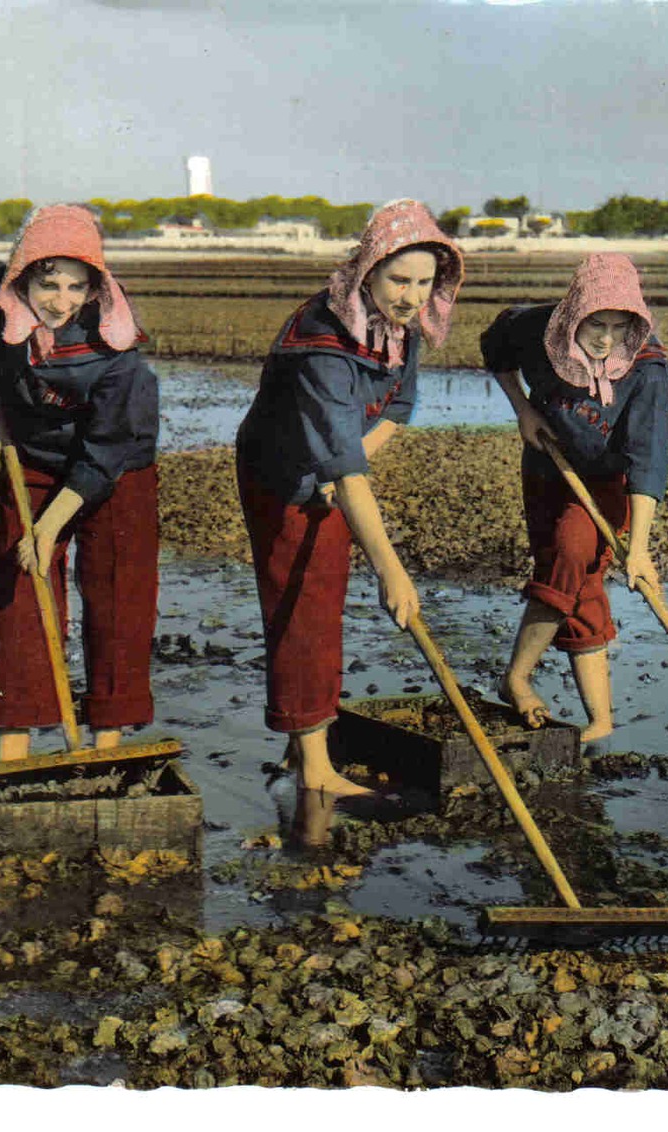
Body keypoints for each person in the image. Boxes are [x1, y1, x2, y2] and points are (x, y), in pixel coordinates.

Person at [236, 199, 463, 797]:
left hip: (334, 471)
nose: (412, 296)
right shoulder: (322, 339)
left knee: (324, 599)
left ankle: (302, 744)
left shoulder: (399, 330)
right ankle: (315, 769)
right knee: (301, 607)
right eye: (398, 280)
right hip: (280, 476)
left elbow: (399, 409)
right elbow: (343, 460)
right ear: (368, 271)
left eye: (423, 283)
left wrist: (347, 460)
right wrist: (392, 570)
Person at [0, 204, 160, 762]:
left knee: (116, 594)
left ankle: (107, 740)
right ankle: (17, 740)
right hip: (31, 460)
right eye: (47, 282)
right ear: (22, 276)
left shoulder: (118, 356)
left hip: (116, 469)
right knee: (20, 593)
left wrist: (51, 526)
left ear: (95, 287)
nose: (61, 300)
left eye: (76, 287)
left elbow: (103, 453)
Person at [480, 253, 668, 743]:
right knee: (578, 582)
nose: (606, 338)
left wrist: (641, 549)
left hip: (606, 484)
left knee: (569, 553)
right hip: (546, 469)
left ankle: (516, 677)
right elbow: (494, 346)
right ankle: (601, 720)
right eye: (595, 323)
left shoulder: (647, 370)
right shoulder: (537, 328)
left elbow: (648, 462)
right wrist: (524, 410)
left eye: (618, 325)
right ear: (573, 312)